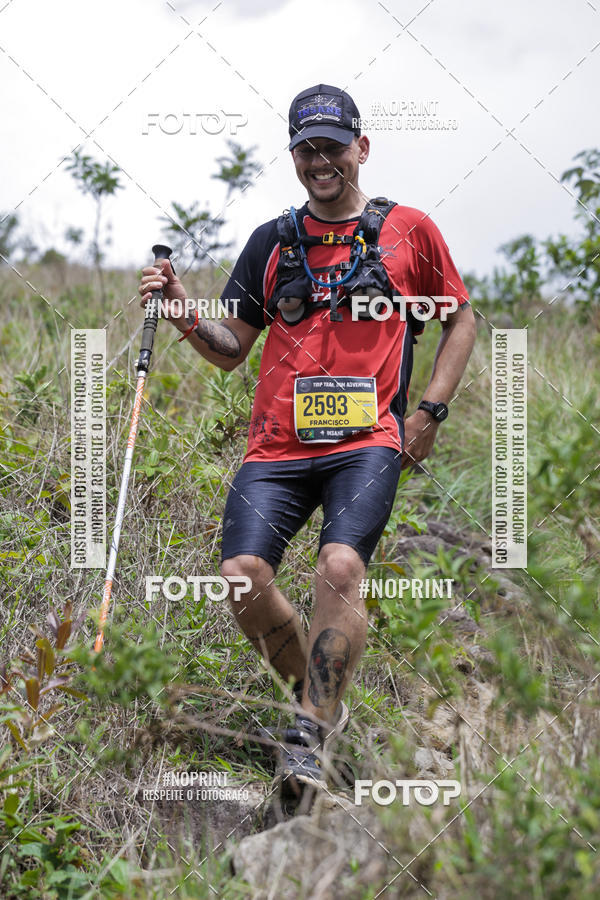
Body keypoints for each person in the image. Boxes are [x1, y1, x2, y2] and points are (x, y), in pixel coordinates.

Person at [139, 83, 476, 800]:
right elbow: (232, 347)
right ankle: (318, 698)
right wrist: (181, 312)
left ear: (361, 146)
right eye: (305, 149)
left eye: (332, 145)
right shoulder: (270, 240)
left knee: (341, 565)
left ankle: (308, 735)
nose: (320, 161)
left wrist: (431, 413)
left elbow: (460, 319)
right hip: (277, 448)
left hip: (366, 442)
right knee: (241, 576)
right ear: (294, 155)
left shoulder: (410, 232)